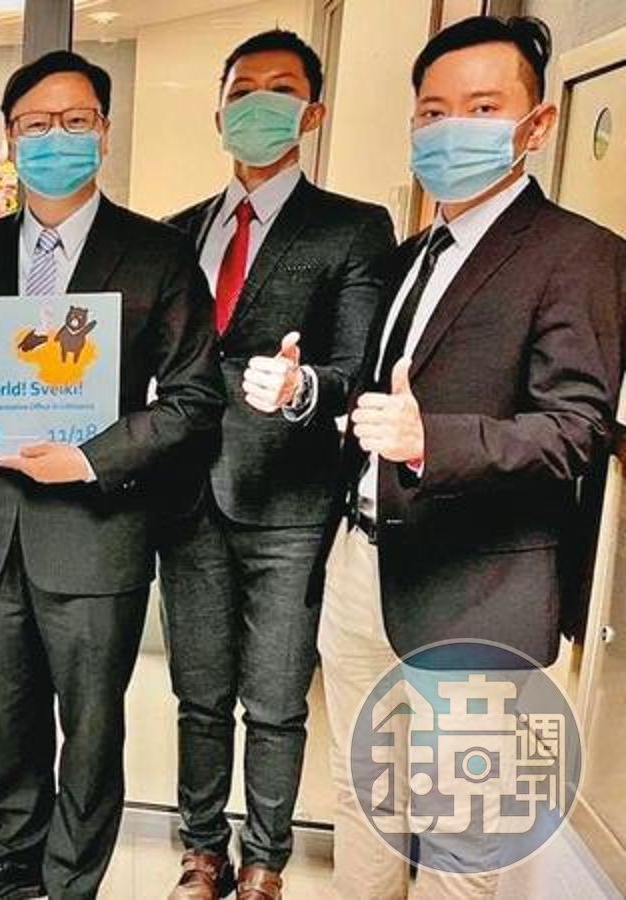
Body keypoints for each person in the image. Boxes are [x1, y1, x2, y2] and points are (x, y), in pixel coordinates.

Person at [0, 52, 224, 899]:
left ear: (104, 130)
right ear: (10, 138)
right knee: (8, 714)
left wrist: (91, 458)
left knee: (89, 728)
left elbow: (196, 399)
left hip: (95, 537)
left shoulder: (158, 254)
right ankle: (11, 858)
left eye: (75, 121)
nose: (56, 138)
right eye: (36, 125)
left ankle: (68, 881)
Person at [321, 16, 623, 898]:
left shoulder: (581, 256)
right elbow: (380, 395)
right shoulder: (410, 257)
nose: (451, 128)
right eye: (433, 111)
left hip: (482, 586)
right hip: (363, 563)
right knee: (363, 794)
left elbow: (576, 429)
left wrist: (433, 441)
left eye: (483, 108)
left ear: (537, 123)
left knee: (462, 831)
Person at [156, 30, 396, 900]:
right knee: (198, 694)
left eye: (281, 89)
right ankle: (202, 851)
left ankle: (265, 861)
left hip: (288, 503)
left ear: (313, 112)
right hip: (186, 495)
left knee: (277, 699)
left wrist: (301, 388)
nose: (258, 104)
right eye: (242, 90)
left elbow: (355, 368)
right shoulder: (175, 233)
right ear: (218, 111)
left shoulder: (353, 228)